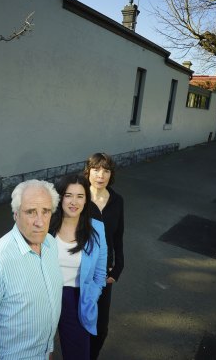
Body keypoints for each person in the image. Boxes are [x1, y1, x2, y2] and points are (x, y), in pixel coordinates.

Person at [0, 180, 63, 360]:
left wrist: (48, 350)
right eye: (31, 212)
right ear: (15, 214)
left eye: (46, 211)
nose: (40, 222)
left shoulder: (51, 244)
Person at [48, 174, 107, 360]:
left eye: (80, 196)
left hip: (77, 299)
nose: (74, 202)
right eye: (68, 195)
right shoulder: (45, 225)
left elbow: (100, 274)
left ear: (86, 200)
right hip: (46, 295)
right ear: (60, 197)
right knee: (39, 351)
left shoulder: (96, 229)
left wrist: (92, 296)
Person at [84, 153, 125, 360]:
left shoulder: (117, 201)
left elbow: (118, 237)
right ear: (88, 172)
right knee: (76, 322)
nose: (101, 175)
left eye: (106, 170)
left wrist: (118, 268)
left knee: (100, 328)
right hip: (78, 270)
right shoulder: (78, 198)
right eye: (96, 169)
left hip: (104, 273)